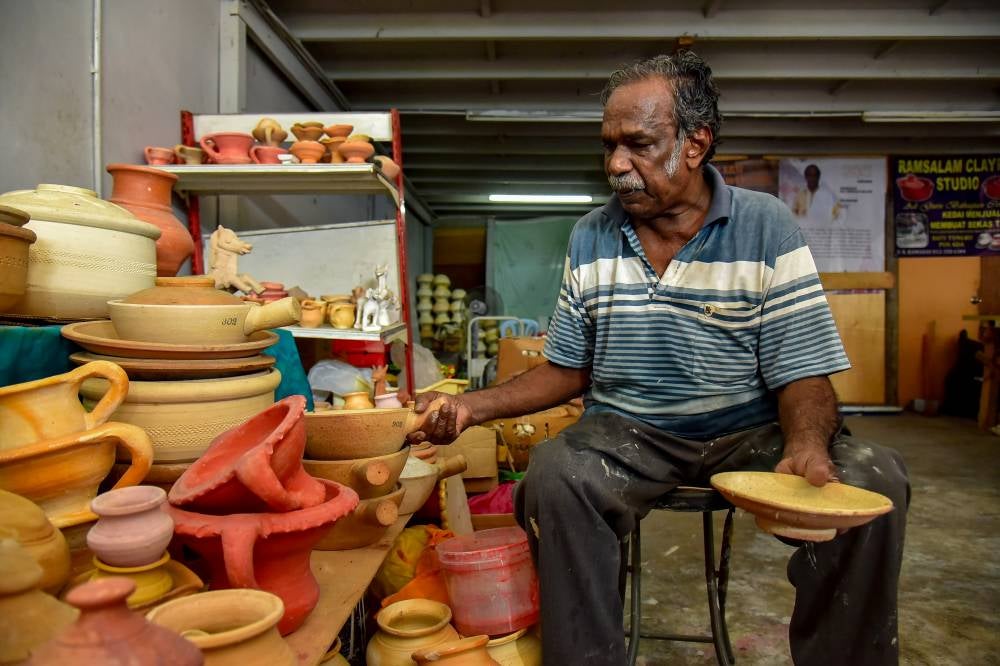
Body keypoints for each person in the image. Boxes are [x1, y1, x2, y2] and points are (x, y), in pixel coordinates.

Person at [410, 51, 909, 666]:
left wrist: (805, 444)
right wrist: (466, 407)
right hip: (627, 433)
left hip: (748, 431)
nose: (617, 164)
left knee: (874, 479)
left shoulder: (766, 227)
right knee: (554, 478)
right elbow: (568, 369)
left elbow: (801, 370)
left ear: (695, 143)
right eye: (609, 145)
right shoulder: (592, 235)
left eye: (638, 144)